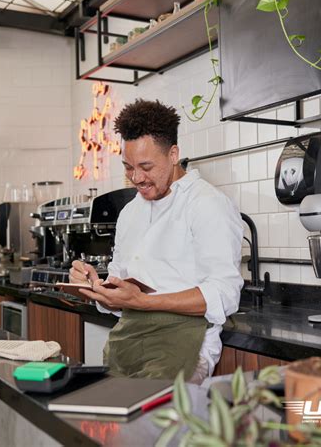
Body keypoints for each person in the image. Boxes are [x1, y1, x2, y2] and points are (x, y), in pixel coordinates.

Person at [70, 99, 243, 383]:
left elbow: (224, 294)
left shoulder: (208, 204)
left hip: (182, 345)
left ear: (173, 154)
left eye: (146, 166)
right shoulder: (130, 212)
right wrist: (96, 288)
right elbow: (121, 292)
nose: (136, 178)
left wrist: (143, 301)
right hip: (125, 346)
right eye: (128, 167)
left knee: (157, 413)